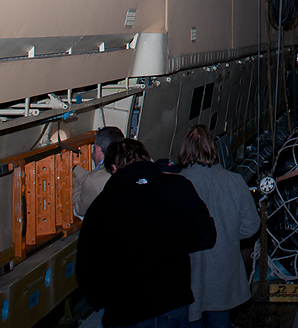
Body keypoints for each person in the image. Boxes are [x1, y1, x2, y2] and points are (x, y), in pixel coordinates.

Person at [77, 139, 217, 327]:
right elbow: (206, 237)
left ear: (113, 168)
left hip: (126, 312)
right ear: (146, 158)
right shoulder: (179, 186)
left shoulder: (102, 206)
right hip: (172, 303)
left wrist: (104, 303)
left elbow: (87, 267)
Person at [179, 126, 260, 328]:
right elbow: (251, 227)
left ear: (185, 149)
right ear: (213, 148)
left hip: (188, 279)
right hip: (223, 274)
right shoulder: (234, 181)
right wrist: (228, 234)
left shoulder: (178, 184)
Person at [73, 126, 123, 217]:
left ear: (96, 148)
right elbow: (97, 177)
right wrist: (76, 170)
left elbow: (80, 209)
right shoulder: (126, 163)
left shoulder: (93, 182)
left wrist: (73, 181)